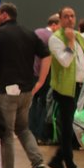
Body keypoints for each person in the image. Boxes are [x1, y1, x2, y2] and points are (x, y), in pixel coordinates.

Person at [0, 2, 51, 168]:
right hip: (26, 92)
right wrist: (41, 81)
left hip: (7, 94)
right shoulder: (29, 33)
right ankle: (39, 165)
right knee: (23, 129)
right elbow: (46, 55)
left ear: (4, 15)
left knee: (7, 134)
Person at [47, 5, 84, 168]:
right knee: (67, 131)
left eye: (72, 16)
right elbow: (65, 62)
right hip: (65, 90)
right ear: (60, 19)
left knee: (73, 129)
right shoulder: (55, 39)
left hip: (79, 88)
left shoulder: (78, 36)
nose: (70, 19)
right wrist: (71, 42)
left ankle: (57, 159)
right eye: (66, 16)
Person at [28, 12, 59, 143]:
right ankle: (41, 135)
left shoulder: (36, 32)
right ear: (54, 25)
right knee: (44, 103)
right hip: (44, 75)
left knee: (33, 103)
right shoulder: (52, 37)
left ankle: (31, 134)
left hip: (32, 74)